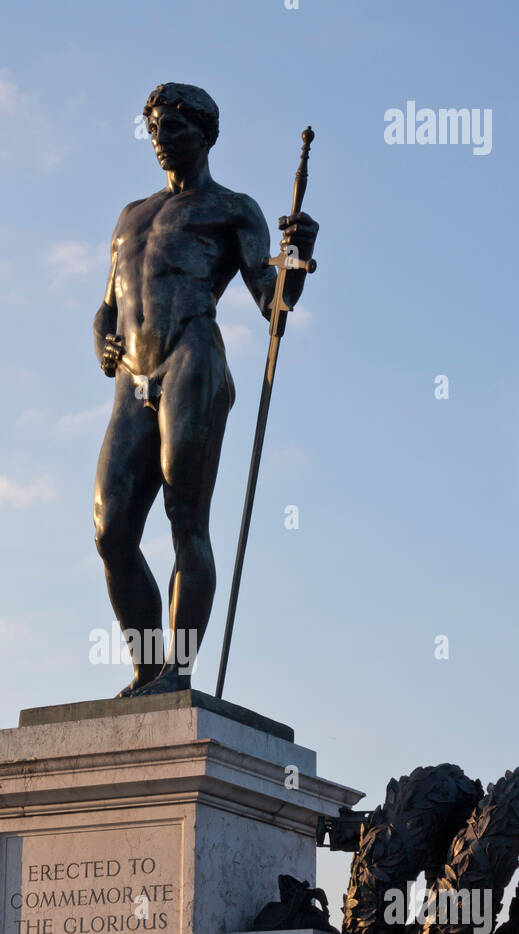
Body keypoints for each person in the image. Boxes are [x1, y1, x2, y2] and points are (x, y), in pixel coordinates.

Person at [93, 82, 317, 697]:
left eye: (173, 128)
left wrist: (296, 256)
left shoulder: (232, 209)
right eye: (155, 128)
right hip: (131, 376)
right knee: (111, 533)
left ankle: (179, 672)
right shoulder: (130, 214)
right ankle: (147, 668)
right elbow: (106, 307)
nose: (161, 139)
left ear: (205, 133)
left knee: (185, 519)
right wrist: (102, 343)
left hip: (191, 361)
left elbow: (273, 305)